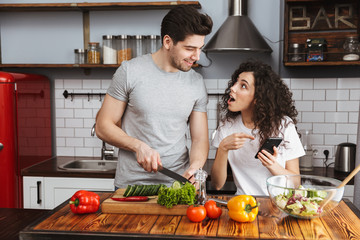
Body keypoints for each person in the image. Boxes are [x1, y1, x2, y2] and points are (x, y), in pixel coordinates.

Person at [95, 5, 213, 188]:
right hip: (131, 187)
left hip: (177, 185)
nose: (196, 56)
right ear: (167, 42)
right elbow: (103, 126)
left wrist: (195, 168)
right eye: (190, 48)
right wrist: (137, 146)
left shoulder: (196, 82)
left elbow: (199, 139)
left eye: (200, 48)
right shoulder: (130, 71)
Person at [211, 61, 305, 196]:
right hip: (243, 205)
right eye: (236, 82)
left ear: (258, 98)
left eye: (243, 86)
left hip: (278, 205)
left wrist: (273, 166)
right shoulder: (227, 126)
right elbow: (216, 185)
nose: (233, 88)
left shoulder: (283, 125)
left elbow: (296, 183)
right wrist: (223, 149)